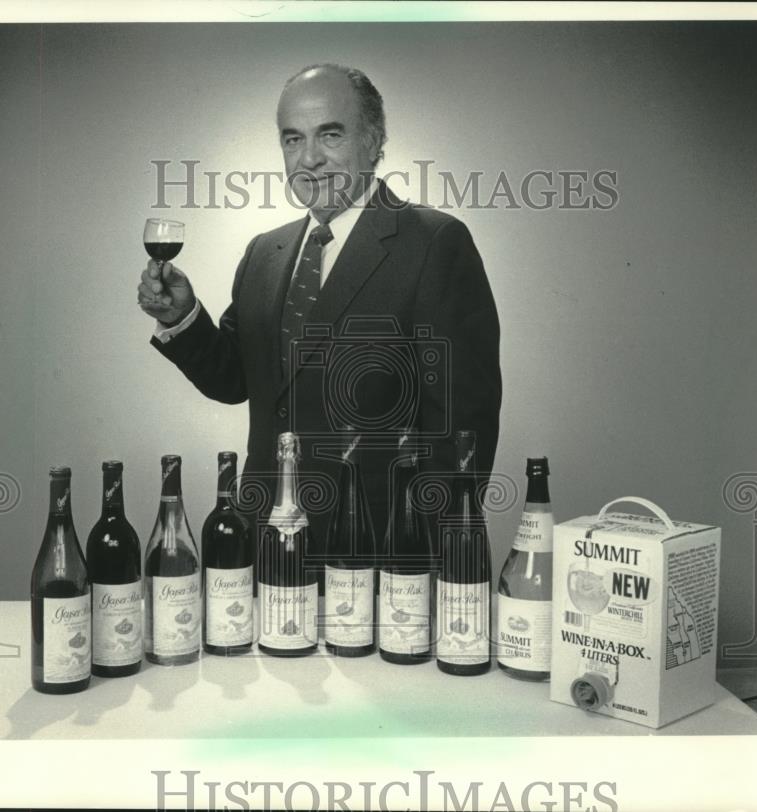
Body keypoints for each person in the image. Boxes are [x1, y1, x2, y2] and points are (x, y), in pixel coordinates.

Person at [137, 63, 501, 548]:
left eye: (329, 134)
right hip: (267, 539)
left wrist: (430, 560)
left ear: (373, 141)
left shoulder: (435, 243)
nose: (308, 158)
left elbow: (464, 429)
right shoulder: (265, 252)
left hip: (383, 550)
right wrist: (181, 317)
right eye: (292, 139)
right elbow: (237, 381)